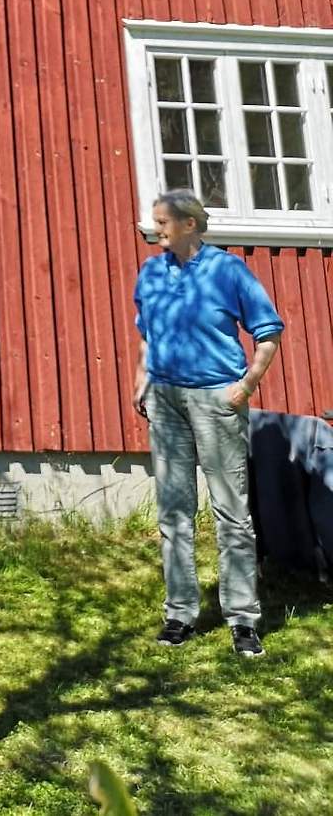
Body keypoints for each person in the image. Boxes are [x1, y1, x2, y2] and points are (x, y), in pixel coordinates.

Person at [132, 188, 284, 658]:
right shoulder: (151, 272)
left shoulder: (227, 270)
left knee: (231, 513)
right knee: (173, 512)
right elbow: (146, 334)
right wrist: (141, 381)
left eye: (162, 222)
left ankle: (242, 619)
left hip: (217, 400)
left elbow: (268, 333)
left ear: (190, 224)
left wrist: (246, 386)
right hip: (165, 400)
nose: (155, 228)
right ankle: (180, 613)